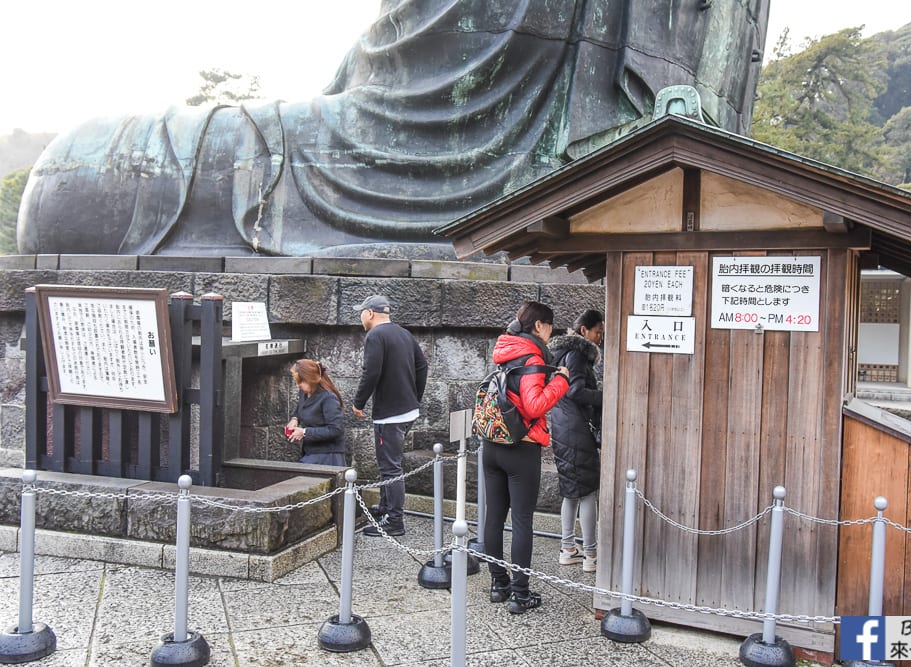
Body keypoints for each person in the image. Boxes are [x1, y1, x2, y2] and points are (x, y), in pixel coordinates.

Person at [18, 1, 767, 258]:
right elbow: (367, 86)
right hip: (358, 144)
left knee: (69, 189)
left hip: (396, 148)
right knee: (66, 184)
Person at [484, 301, 570, 614]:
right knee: (521, 521)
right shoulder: (532, 355)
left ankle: (498, 584)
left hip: (492, 442)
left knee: (493, 517)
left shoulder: (504, 351)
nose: (551, 332)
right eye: (550, 326)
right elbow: (533, 406)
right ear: (539, 326)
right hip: (522, 446)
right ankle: (520, 595)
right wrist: (561, 380)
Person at [352, 294, 428, 537]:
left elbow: (370, 371)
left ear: (370, 313)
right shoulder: (403, 333)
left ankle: (394, 520)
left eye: (361, 312)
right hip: (407, 410)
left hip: (390, 414)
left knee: (390, 467)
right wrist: (415, 396)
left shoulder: (375, 335)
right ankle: (385, 508)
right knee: (390, 464)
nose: (360, 317)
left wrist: (359, 401)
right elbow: (422, 366)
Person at [548, 310, 605, 573]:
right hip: (576, 429)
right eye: (598, 331)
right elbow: (576, 390)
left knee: (571, 491)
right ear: (584, 331)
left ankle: (568, 548)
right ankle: (591, 554)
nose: (601, 336)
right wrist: (606, 395)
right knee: (589, 492)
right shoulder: (579, 354)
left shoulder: (563, 353)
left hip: (562, 427)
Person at [285, 359, 347, 466]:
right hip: (311, 452)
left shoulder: (328, 398)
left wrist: (304, 432)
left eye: (301, 381)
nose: (298, 385)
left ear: (311, 379)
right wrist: (295, 419)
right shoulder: (304, 393)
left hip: (328, 455)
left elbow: (336, 429)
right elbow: (301, 407)